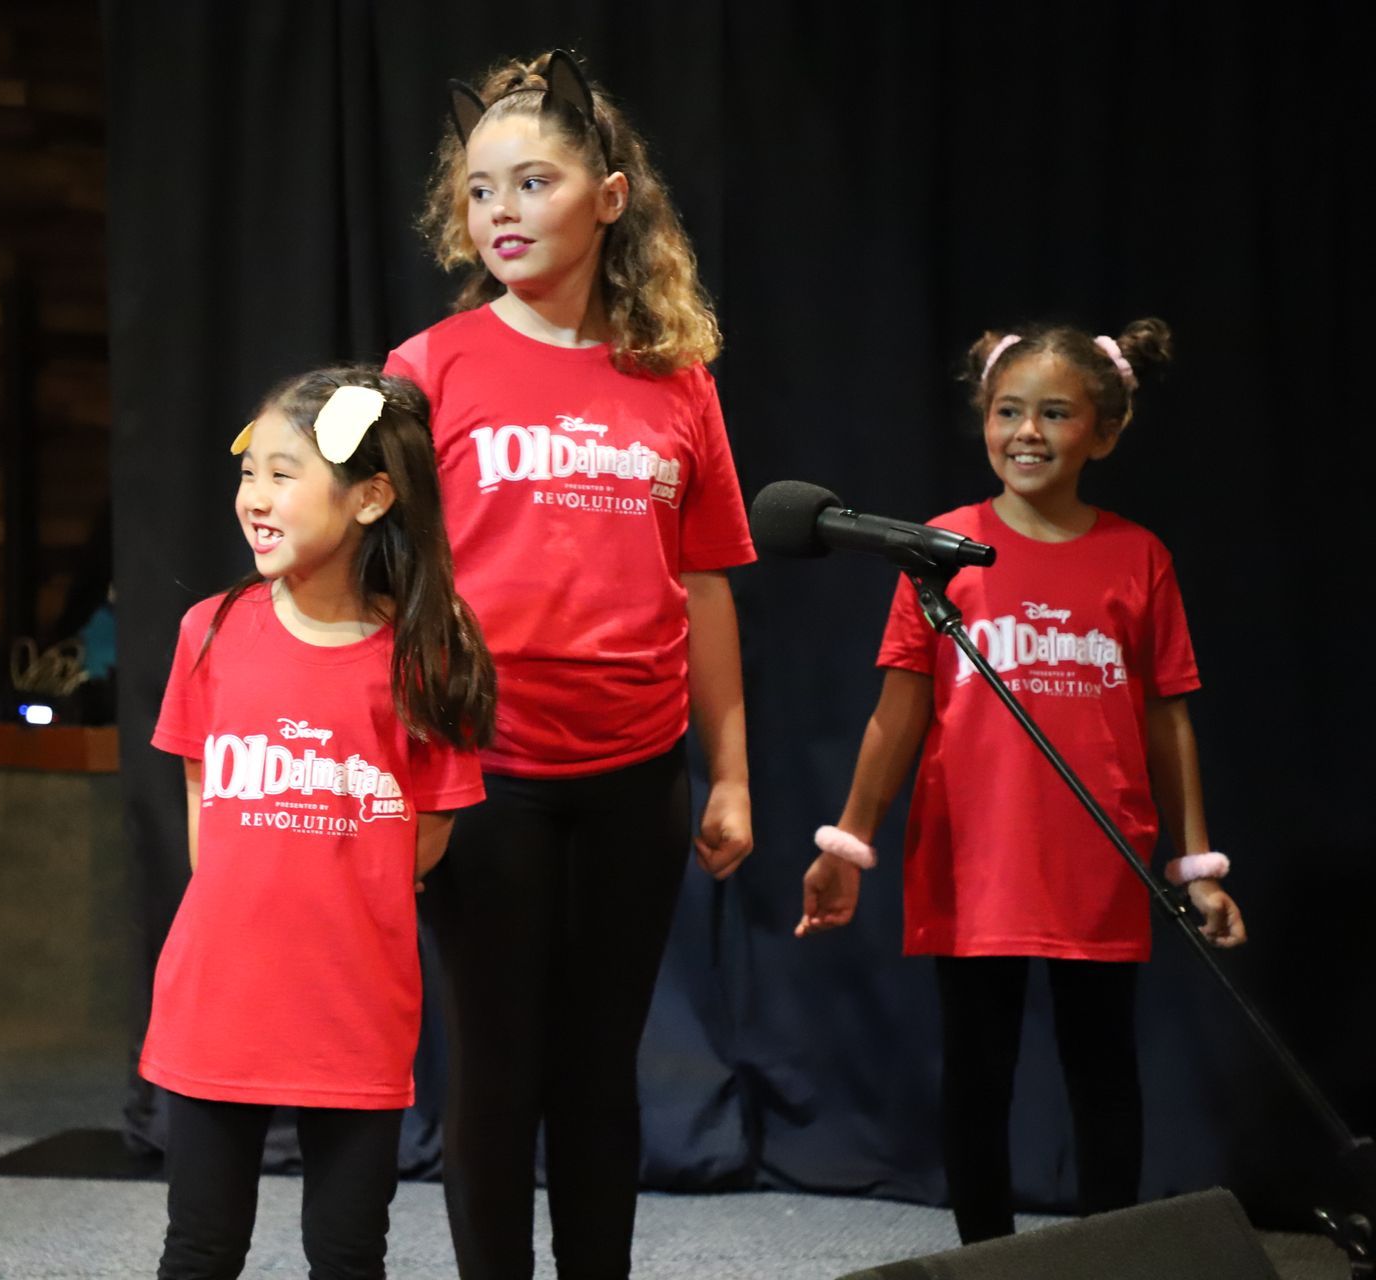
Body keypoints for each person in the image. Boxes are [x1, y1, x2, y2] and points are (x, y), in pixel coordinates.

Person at [384, 48, 757, 1279]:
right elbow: (384, 583)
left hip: (635, 769)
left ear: (607, 196)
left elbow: (704, 582)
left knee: (601, 1067)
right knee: (496, 1067)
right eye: (481, 190)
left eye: (531, 182)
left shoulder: (675, 381)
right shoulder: (428, 370)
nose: (500, 212)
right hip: (485, 770)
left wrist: (732, 773)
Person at [796, 319, 1246, 1243]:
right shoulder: (940, 550)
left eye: (1054, 413)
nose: (1027, 433)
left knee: (1102, 1067)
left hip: (1099, 856)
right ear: (984, 422)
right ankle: (986, 1259)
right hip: (977, 856)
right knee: (978, 1070)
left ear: (1104, 433)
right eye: (1008, 412)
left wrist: (1198, 863)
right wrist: (850, 842)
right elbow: (899, 712)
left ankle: (1106, 1252)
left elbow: (1168, 717)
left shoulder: (1138, 557)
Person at [144, 368, 495, 1279]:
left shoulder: (426, 649)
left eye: (283, 474)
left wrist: (348, 886)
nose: (254, 499)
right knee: (201, 1244)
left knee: (346, 1250)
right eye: (248, 472)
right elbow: (199, 794)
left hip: (354, 1007)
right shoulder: (207, 632)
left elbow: (430, 827)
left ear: (372, 496)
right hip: (218, 1000)